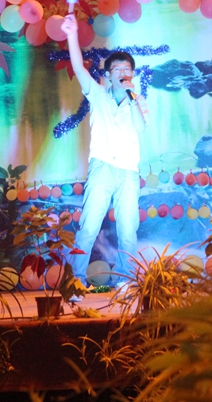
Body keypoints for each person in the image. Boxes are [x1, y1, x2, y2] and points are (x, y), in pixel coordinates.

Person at [61, 15, 148, 287]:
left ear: (132, 74)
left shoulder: (138, 100)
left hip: (129, 172)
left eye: (127, 69)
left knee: (128, 232)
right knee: (88, 227)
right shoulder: (97, 94)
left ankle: (125, 282)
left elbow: (141, 128)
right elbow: (78, 67)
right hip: (102, 168)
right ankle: (75, 282)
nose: (123, 72)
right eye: (117, 68)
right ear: (108, 75)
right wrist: (72, 34)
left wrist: (132, 100)